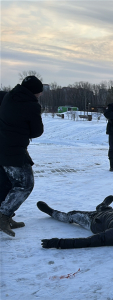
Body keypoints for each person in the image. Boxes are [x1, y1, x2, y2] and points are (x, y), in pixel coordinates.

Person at [0, 76, 44, 237]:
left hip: (3, 145)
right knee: (25, 184)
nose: (40, 95)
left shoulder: (8, 96)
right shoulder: (31, 106)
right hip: (13, 150)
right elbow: (37, 132)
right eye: (39, 93)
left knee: (6, 183)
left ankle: (7, 216)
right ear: (35, 92)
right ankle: (3, 216)